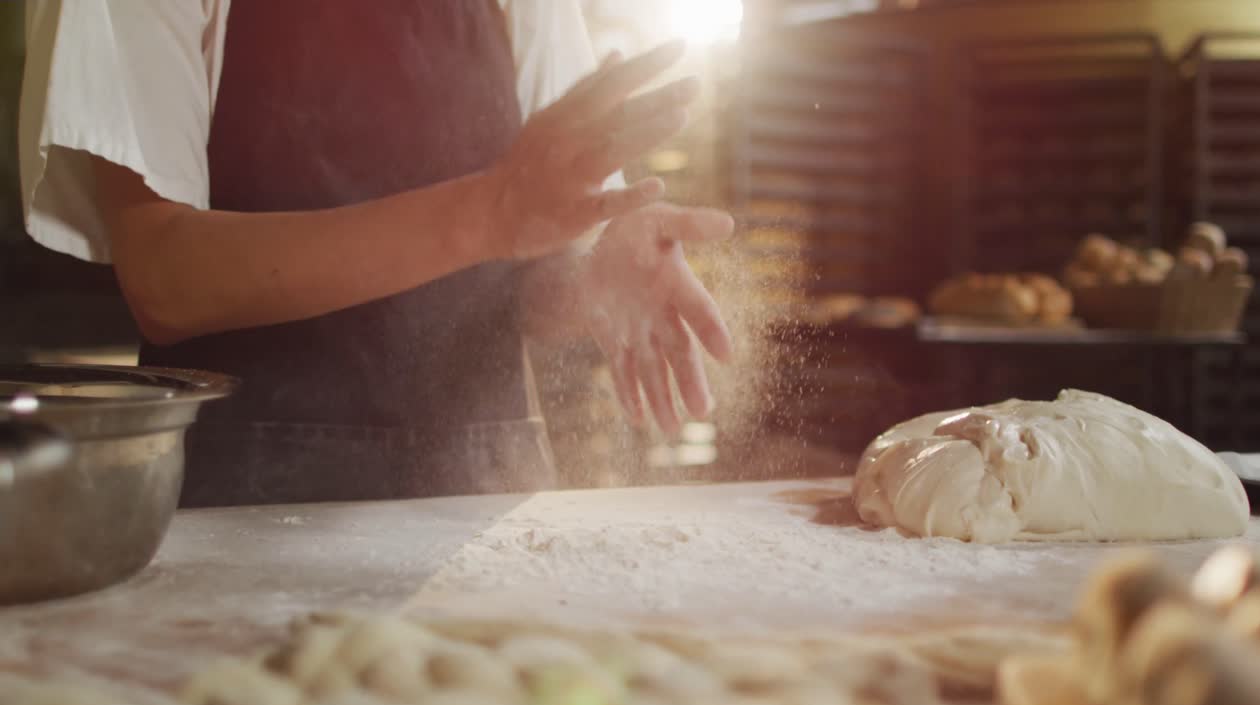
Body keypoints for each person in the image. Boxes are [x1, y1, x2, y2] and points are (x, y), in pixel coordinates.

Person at [18, 1, 735, 506]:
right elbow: (166, 279)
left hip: (483, 506)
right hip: (250, 519)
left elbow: (528, 274)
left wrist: (590, 277)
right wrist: (489, 212)